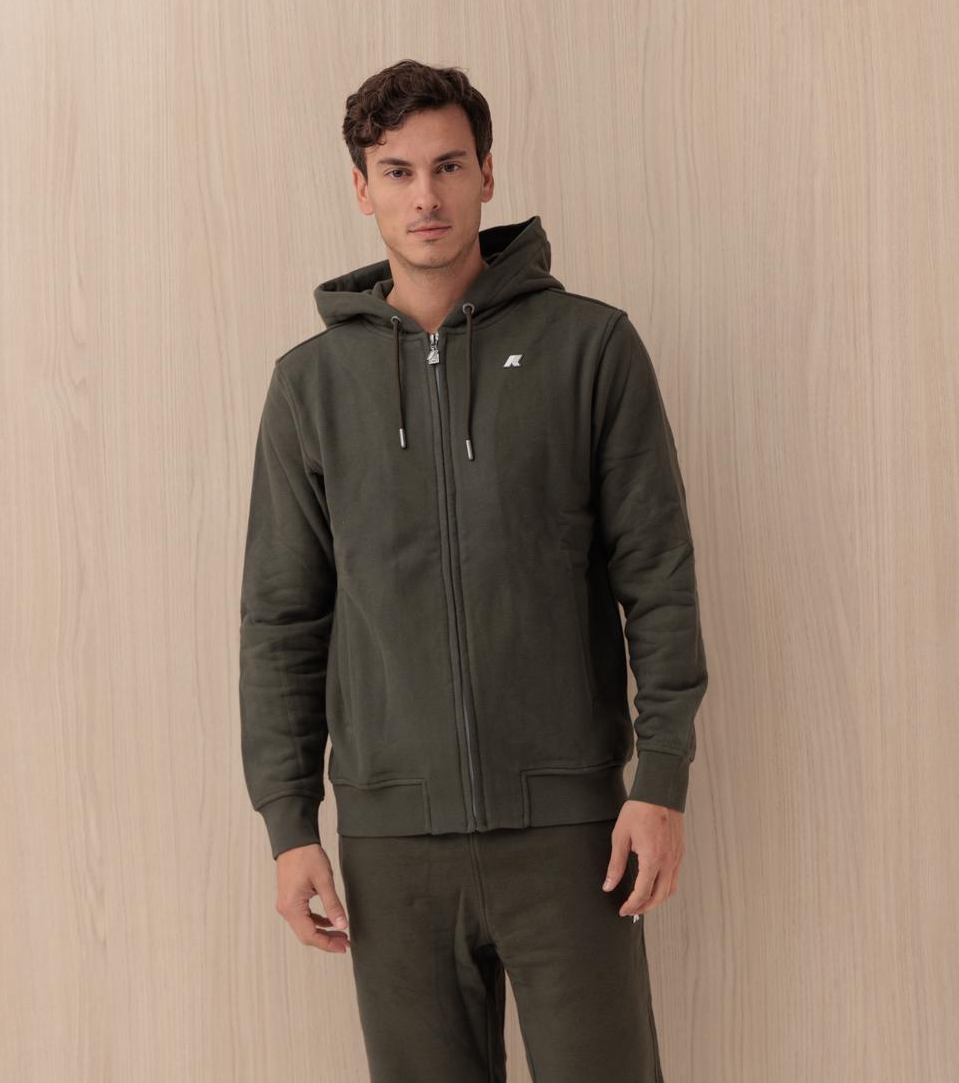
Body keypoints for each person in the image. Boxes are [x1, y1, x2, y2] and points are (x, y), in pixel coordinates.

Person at [239, 58, 709, 1082]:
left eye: (448, 166)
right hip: (390, 846)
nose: (426, 196)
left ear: (487, 175)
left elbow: (658, 576)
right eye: (397, 171)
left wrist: (661, 777)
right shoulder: (311, 387)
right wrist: (288, 823)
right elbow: (282, 619)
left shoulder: (590, 348)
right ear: (360, 189)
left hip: (572, 834)